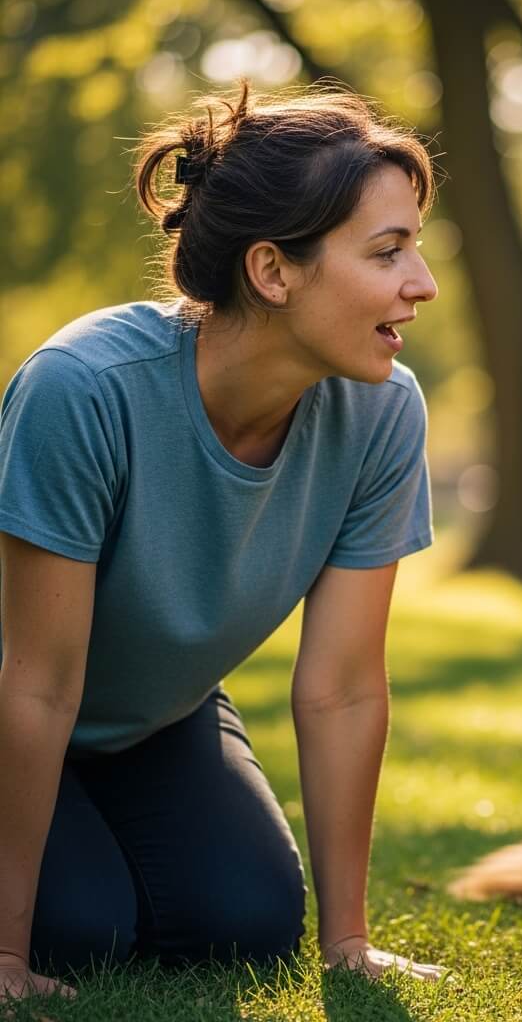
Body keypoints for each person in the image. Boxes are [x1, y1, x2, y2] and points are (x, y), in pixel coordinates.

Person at [0, 81, 446, 1001]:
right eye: (388, 251)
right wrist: (5, 958)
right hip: (17, 695)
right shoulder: (83, 389)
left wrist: (348, 941)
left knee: (245, 923)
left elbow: (343, 688)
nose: (423, 282)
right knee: (82, 927)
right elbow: (36, 681)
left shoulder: (383, 410)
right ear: (273, 271)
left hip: (149, 720)